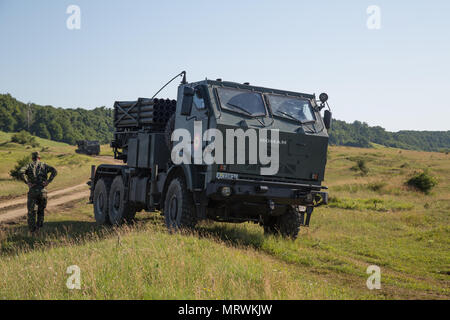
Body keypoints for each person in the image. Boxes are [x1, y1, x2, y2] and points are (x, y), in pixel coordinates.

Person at [19, 151, 57, 233]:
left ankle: (32, 231)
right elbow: (54, 171)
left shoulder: (29, 165)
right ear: (39, 158)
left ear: (32, 158)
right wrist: (48, 181)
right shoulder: (44, 165)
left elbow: (21, 172)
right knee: (41, 211)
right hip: (43, 191)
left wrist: (27, 182)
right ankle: (39, 229)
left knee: (31, 212)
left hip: (33, 191)